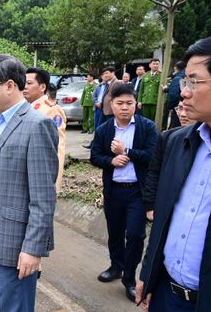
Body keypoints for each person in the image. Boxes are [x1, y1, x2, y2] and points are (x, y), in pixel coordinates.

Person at [0, 54, 58, 312]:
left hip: (14, 242)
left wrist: (32, 249)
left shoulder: (37, 125)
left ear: (9, 86)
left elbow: (43, 196)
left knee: (14, 307)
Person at [136, 36, 211, 312]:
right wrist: (149, 274)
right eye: (184, 83)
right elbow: (165, 220)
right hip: (166, 294)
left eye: (193, 81)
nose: (184, 93)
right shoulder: (178, 142)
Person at [90, 83, 158, 302]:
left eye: (129, 103)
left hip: (137, 192)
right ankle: (116, 266)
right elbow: (95, 156)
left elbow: (152, 155)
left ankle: (129, 278)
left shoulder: (147, 127)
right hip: (114, 190)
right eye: (120, 103)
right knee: (116, 232)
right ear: (112, 105)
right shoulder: (104, 129)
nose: (125, 108)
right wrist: (111, 160)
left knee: (137, 234)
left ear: (136, 104)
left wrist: (126, 152)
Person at [142, 99, 196, 222]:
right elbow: (154, 172)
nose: (182, 114)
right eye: (180, 108)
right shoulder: (167, 138)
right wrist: (150, 205)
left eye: (188, 109)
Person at [24, 67, 67, 192]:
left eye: (29, 83)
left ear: (42, 87)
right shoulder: (23, 107)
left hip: (40, 177)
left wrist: (54, 184)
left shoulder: (51, 110)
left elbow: (58, 149)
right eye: (23, 82)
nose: (25, 86)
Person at [161, 61, 186, 129]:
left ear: (175, 68)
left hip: (177, 106)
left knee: (174, 127)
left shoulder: (177, 78)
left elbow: (173, 94)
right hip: (184, 106)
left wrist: (170, 106)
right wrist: (167, 89)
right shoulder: (184, 76)